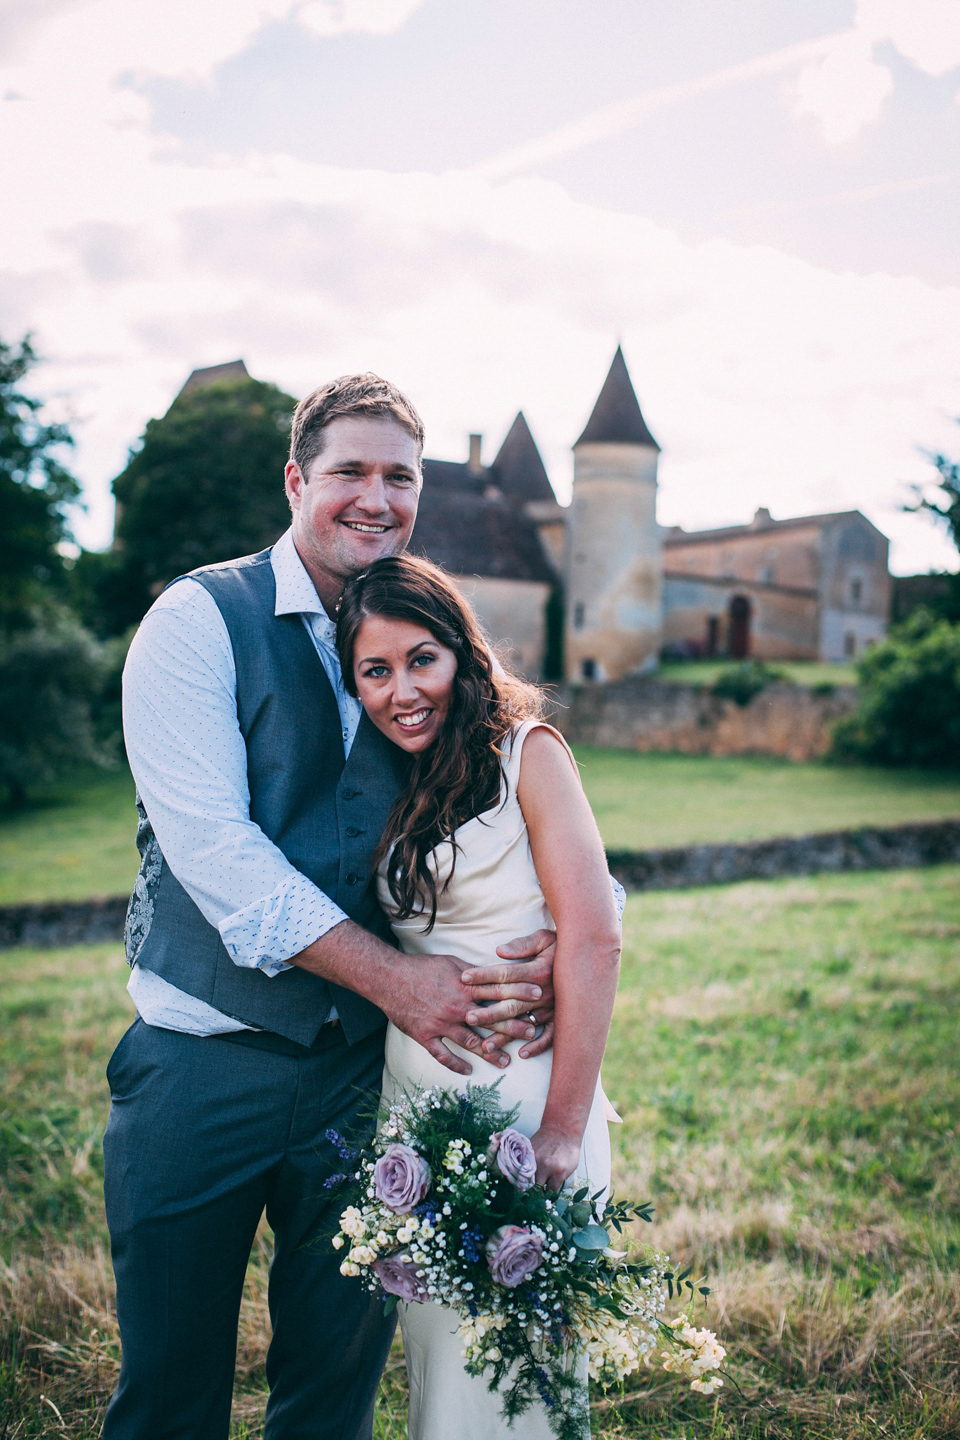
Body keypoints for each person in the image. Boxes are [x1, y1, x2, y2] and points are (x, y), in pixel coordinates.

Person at [104, 374, 560, 1440]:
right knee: (169, 1392)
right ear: (297, 478)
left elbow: (528, 788)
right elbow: (218, 857)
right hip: (202, 1064)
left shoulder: (428, 636)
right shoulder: (196, 620)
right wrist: (402, 981)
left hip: (367, 1083)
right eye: (349, 470)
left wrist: (562, 931)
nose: (376, 495)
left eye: (399, 476)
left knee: (330, 1397)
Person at [336, 554, 623, 1440]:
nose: (402, 691)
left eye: (421, 659)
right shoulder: (396, 777)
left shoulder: (526, 752)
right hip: (415, 1119)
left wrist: (563, 1131)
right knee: (444, 1375)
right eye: (374, 671)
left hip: (525, 1104)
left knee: (521, 1380)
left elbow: (595, 931)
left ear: (462, 652)